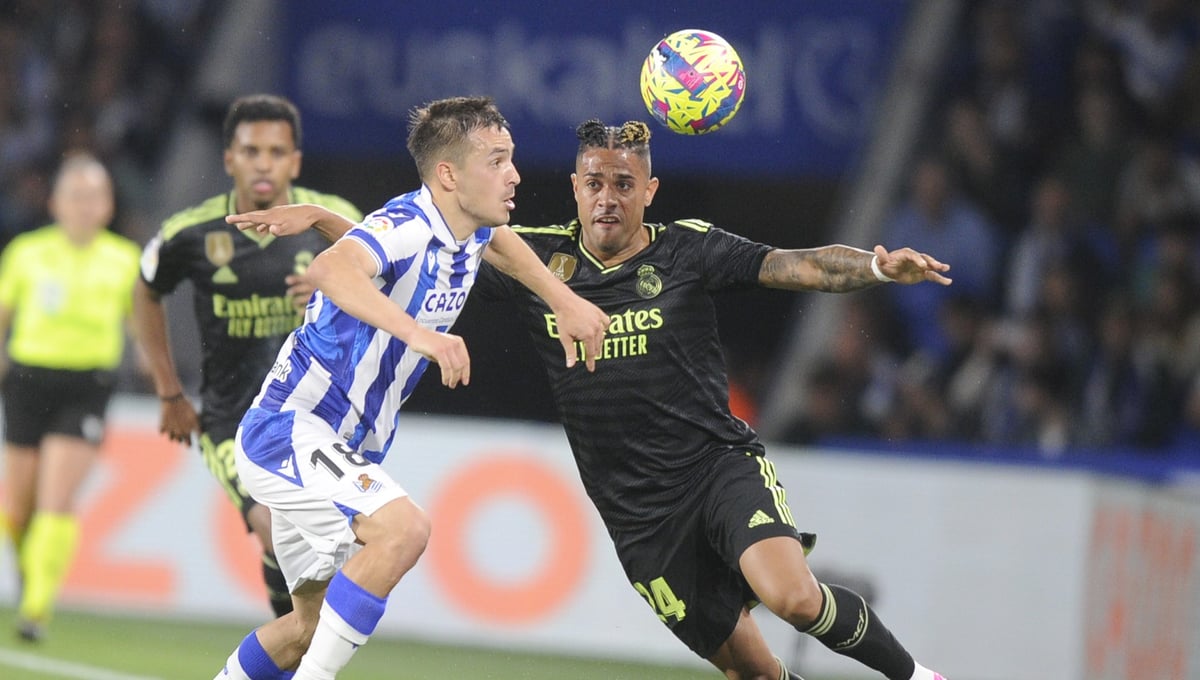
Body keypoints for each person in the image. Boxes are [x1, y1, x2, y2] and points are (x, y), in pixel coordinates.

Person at [232, 119, 954, 680]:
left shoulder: (687, 249)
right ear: (575, 188)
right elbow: (421, 244)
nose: (608, 197)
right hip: (638, 515)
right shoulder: (538, 259)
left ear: (650, 191)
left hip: (715, 468)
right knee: (756, 671)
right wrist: (325, 221)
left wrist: (875, 268)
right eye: (594, 183)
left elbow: (797, 267)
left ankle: (918, 675)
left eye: (624, 184)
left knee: (791, 595)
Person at [213, 96, 608, 680]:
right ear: (449, 175)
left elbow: (500, 244)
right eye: (497, 160)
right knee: (404, 531)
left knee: (306, 629)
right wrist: (422, 335)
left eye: (511, 158)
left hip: (342, 445)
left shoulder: (467, 229)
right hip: (290, 428)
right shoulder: (406, 225)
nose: (515, 175)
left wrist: (563, 299)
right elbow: (330, 269)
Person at [132, 94, 363, 618]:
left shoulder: (334, 222)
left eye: (276, 152)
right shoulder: (191, 232)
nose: (263, 164)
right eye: (251, 151)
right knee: (275, 525)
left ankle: (291, 640)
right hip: (232, 420)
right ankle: (296, 643)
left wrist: (336, 290)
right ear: (228, 159)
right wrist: (169, 391)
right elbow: (145, 290)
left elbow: (390, 289)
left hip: (315, 418)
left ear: (295, 162)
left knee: (308, 546)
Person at [0, 152, 142, 641]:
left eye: (95, 196)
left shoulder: (124, 259)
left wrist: (156, 367)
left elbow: (141, 323)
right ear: (55, 203)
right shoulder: (27, 252)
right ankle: (30, 573)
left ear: (108, 205)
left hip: (87, 385)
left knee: (56, 497)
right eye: (76, 196)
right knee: (17, 508)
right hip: (27, 380)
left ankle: (36, 608)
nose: (85, 206)